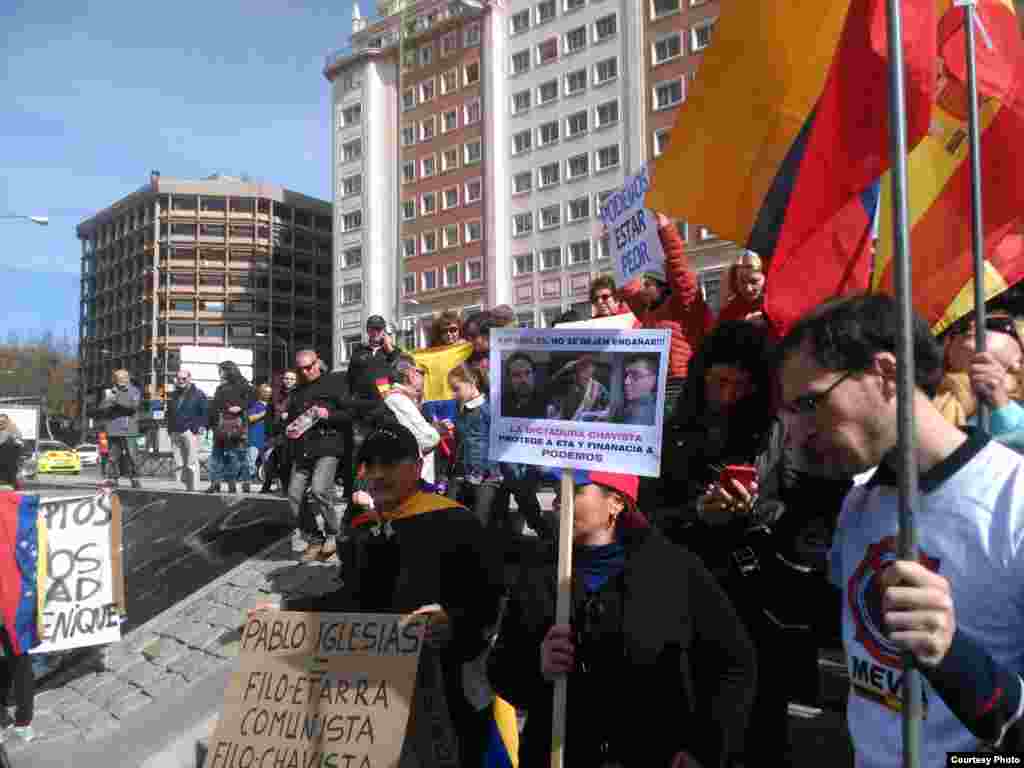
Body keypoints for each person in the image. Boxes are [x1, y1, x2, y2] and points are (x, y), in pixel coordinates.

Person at [776, 293, 1024, 764]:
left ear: (887, 374)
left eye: (810, 403)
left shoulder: (1013, 503)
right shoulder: (860, 500)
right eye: (789, 413)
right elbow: (827, 630)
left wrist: (952, 657)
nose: (796, 431)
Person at [488, 470, 757, 768]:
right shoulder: (538, 570)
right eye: (556, 489)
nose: (557, 502)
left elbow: (734, 663)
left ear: (616, 503)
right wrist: (537, 666)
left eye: (573, 491)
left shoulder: (677, 570)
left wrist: (704, 748)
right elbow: (501, 671)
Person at [280, 423, 503, 767]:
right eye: (371, 464)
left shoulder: (456, 522)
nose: (379, 474)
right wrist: (287, 612)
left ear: (416, 467)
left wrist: (452, 623)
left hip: (445, 691)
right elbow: (353, 601)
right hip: (376, 695)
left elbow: (488, 605)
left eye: (390, 463)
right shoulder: (364, 527)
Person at [286, 350, 374, 562]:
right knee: (294, 495)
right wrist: (289, 429)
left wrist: (329, 415)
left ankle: (334, 534)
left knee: (319, 489)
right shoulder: (296, 392)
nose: (306, 372)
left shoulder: (335, 383)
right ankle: (314, 539)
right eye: (301, 369)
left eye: (309, 367)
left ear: (318, 363)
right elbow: (292, 421)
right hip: (303, 449)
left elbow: (351, 414)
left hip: (329, 446)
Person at [620, 214, 712, 414]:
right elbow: (627, 286)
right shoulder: (647, 311)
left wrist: (665, 229)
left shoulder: (683, 304)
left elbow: (679, 269)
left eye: (648, 284)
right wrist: (618, 244)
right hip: (656, 384)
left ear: (663, 286)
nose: (642, 289)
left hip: (683, 381)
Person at [934, 312, 1024, 435]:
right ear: (948, 356)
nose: (972, 324)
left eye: (991, 324)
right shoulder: (923, 398)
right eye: (961, 327)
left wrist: (1000, 403)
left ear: (1019, 360)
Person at [496, 353, 554, 540]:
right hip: (509, 460)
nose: (523, 379)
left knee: (516, 479)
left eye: (527, 373)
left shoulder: (547, 403)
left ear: (534, 375)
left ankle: (539, 528)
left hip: (539, 459)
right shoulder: (501, 404)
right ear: (509, 379)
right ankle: (537, 529)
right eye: (516, 375)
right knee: (507, 477)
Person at [445, 363, 501, 529]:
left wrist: (492, 471)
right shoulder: (461, 408)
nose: (453, 394)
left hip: (485, 476)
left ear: (472, 383)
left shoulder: (487, 410)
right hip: (462, 472)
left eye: (456, 389)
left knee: (480, 523)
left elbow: (496, 442)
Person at [382, 357, 440, 485]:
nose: (424, 378)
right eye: (421, 373)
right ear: (411, 374)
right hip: (413, 482)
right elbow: (429, 438)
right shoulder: (399, 400)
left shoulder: (404, 399)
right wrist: (438, 430)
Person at [206, 361, 253, 494]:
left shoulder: (243, 385)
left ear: (228, 371)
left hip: (237, 426)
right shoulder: (221, 388)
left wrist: (241, 406)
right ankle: (215, 483)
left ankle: (245, 483)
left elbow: (254, 397)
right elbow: (214, 407)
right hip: (220, 426)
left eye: (220, 371)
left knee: (239, 455)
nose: (219, 374)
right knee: (217, 456)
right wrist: (209, 424)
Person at [96, 369, 142, 489]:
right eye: (117, 378)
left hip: (129, 428)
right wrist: (108, 403)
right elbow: (102, 408)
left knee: (132, 455)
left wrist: (115, 402)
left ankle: (135, 478)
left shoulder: (134, 391)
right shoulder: (110, 391)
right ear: (114, 379)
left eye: (123, 378)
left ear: (128, 378)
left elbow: (133, 407)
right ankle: (113, 478)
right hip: (113, 427)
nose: (120, 380)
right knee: (112, 456)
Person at [165, 368, 208, 492]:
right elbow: (169, 412)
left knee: (191, 462)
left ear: (189, 378)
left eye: (184, 378)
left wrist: (200, 427)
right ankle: (185, 486)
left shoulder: (198, 394)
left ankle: (193, 488)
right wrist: (170, 429)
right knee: (179, 462)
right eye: (179, 378)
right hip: (175, 431)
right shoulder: (174, 394)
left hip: (190, 431)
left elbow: (204, 412)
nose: (181, 381)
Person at [546, 354, 611, 422]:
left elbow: (608, 408)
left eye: (589, 367)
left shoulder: (598, 388)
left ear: (593, 369)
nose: (586, 370)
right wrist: (564, 369)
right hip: (566, 425)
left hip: (587, 426)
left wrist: (594, 415)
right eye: (583, 366)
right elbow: (551, 384)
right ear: (577, 368)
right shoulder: (567, 383)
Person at [716, 250, 766, 326]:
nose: (748, 288)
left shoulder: (776, 304)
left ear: (764, 278)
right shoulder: (728, 312)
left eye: (754, 281)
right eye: (742, 282)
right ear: (735, 282)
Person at [610, 354, 659, 426]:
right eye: (626, 375)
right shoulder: (628, 407)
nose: (626, 382)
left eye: (635, 374)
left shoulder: (643, 416)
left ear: (653, 379)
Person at [247, 384, 272, 489]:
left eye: (269, 392)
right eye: (265, 392)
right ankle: (247, 483)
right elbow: (250, 418)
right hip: (255, 437)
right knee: (250, 461)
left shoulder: (272, 405)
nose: (267, 394)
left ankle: (266, 483)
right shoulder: (255, 404)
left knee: (268, 461)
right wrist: (264, 413)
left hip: (268, 437)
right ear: (260, 393)